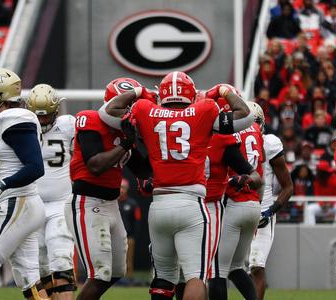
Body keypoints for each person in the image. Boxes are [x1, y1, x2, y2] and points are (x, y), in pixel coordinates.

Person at [100, 72, 254, 300]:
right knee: (196, 276)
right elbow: (246, 117)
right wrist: (223, 91)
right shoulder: (205, 110)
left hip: (160, 203)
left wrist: (139, 92)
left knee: (163, 277)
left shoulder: (144, 109)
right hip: (191, 203)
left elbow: (107, 113)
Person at [0, 68, 48, 300]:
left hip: (18, 201)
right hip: (23, 203)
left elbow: (35, 167)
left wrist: (3, 183)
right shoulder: (0, 120)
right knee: (28, 276)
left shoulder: (13, 118)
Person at [68, 77, 151, 300]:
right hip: (88, 202)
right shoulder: (90, 119)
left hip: (111, 204)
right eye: (125, 105)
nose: (129, 111)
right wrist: (126, 144)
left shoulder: (125, 132)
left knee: (117, 271)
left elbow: (142, 168)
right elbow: (95, 165)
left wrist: (156, 144)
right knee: (100, 273)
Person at [209, 101, 265, 300]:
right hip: (253, 204)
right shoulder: (256, 130)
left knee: (217, 271)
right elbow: (260, 173)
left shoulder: (227, 133)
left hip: (234, 202)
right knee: (235, 267)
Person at [26, 84, 77, 299]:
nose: (43, 121)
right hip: (31, 205)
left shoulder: (68, 125)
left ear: (56, 110)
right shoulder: (21, 126)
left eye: (47, 116)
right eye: (39, 117)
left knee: (61, 258)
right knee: (38, 264)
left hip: (60, 203)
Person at [248, 110, 294, 300]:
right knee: (223, 269)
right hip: (236, 209)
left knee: (256, 266)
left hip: (262, 211)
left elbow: (288, 186)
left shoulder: (269, 143)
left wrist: (271, 211)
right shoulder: (231, 141)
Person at [118, 179, 141, 282]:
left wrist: (133, 236)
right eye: (120, 187)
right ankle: (115, 280)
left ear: (127, 189)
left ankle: (129, 280)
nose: (121, 190)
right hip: (114, 238)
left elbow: (137, 220)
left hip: (128, 237)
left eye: (123, 188)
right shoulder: (113, 203)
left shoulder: (132, 203)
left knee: (129, 260)